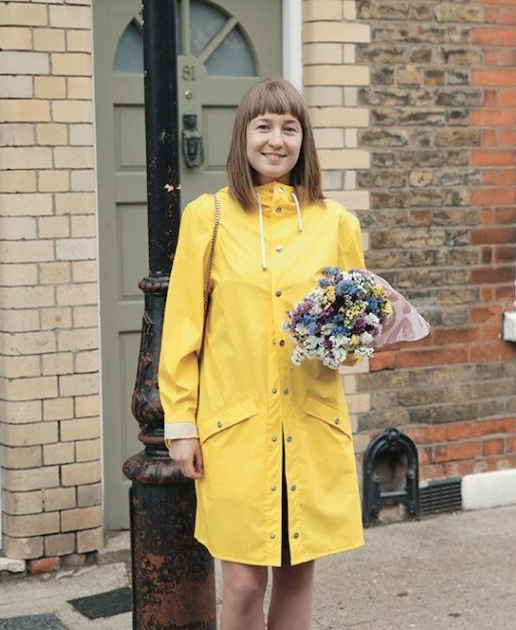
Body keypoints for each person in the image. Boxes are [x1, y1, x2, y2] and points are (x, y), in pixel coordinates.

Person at [158, 78, 365, 630]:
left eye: (290, 129)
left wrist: (349, 338)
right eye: (264, 126)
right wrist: (181, 424)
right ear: (243, 136)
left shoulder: (336, 224)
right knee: (244, 585)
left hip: (310, 423)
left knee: (298, 574)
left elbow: (352, 335)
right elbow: (183, 327)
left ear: (304, 141)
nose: (277, 140)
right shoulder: (211, 218)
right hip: (237, 428)